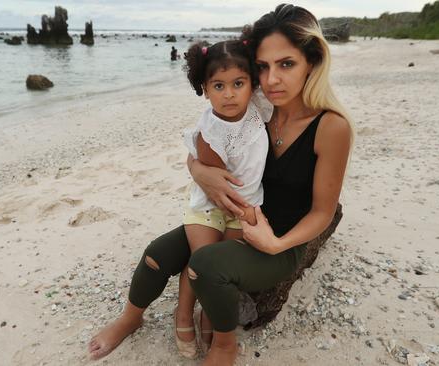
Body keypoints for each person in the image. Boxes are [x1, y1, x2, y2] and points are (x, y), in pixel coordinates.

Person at [88, 4, 353, 365]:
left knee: (206, 266)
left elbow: (323, 212)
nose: (273, 79)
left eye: (286, 64)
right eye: (262, 66)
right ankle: (131, 317)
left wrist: (277, 244)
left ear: (312, 62)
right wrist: (198, 170)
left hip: (278, 241)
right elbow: (207, 141)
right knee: (158, 253)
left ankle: (225, 345)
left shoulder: (331, 126)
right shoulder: (258, 106)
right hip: (230, 213)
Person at [175, 39, 273, 358]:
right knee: (201, 263)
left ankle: (211, 315)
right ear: (205, 89)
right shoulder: (210, 129)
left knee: (225, 271)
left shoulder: (258, 107)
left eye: (238, 84)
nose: (229, 94)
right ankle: (183, 312)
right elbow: (212, 181)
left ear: (252, 85)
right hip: (210, 206)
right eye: (218, 85)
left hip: (244, 207)